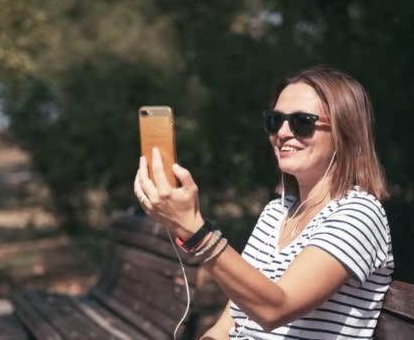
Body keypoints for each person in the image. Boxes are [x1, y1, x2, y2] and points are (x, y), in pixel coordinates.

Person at [134, 66, 393, 339]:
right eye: (275, 120)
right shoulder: (276, 212)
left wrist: (194, 229)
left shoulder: (359, 213)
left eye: (301, 122)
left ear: (345, 132)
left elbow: (276, 308)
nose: (281, 133)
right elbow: (228, 325)